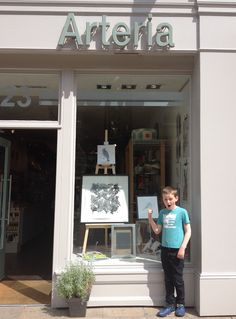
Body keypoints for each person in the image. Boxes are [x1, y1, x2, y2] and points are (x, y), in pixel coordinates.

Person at [148, 186, 191, 317]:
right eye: (165, 199)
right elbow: (157, 231)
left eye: (171, 199)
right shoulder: (162, 213)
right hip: (165, 250)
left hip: (178, 250)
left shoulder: (182, 212)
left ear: (176, 198)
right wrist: (150, 218)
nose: (168, 201)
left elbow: (188, 231)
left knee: (178, 279)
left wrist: (183, 247)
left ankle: (180, 304)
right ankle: (170, 304)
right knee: (168, 279)